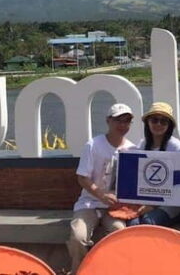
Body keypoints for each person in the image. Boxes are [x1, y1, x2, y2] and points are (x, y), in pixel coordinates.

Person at [66, 103, 136, 273]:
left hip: (115, 207)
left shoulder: (133, 149)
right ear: (108, 121)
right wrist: (101, 194)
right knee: (78, 237)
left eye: (127, 121)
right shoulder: (93, 145)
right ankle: (79, 270)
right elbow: (82, 177)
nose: (123, 125)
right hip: (89, 204)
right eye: (118, 120)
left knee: (119, 233)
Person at [126, 102, 180, 227]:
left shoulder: (175, 147)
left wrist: (153, 205)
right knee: (133, 223)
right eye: (154, 120)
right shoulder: (142, 145)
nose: (158, 124)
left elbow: (177, 183)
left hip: (169, 204)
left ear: (169, 126)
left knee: (148, 222)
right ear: (148, 122)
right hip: (144, 202)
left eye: (163, 121)